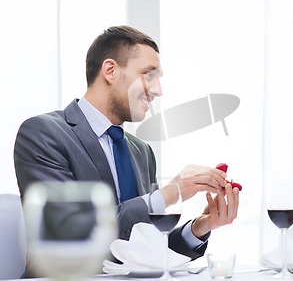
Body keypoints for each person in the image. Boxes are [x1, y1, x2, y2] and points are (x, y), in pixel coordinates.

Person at [14, 25, 239, 273]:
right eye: (148, 75)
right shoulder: (43, 133)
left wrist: (200, 227)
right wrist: (168, 195)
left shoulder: (141, 152)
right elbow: (70, 231)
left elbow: (141, 248)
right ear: (110, 70)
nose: (157, 90)